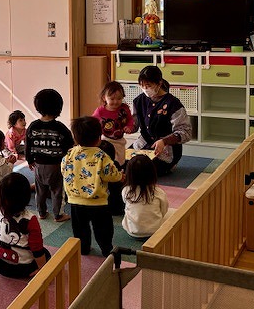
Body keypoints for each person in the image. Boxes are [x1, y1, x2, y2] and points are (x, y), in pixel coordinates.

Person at [62, 116, 122, 257]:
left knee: (80, 229)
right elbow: (112, 175)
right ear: (99, 138)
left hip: (75, 200)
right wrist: (121, 176)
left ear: (75, 138)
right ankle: (106, 249)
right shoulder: (101, 156)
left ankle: (83, 248)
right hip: (98, 201)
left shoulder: (70, 153)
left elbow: (63, 169)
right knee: (103, 229)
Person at [132, 65, 192, 176]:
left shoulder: (173, 104)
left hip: (166, 148)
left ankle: (170, 165)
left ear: (159, 83)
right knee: (125, 163)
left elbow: (186, 132)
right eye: (142, 85)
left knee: (143, 169)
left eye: (148, 85)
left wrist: (164, 141)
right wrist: (123, 125)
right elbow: (134, 125)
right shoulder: (139, 101)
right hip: (144, 143)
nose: (145, 89)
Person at [25, 89, 74, 222]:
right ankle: (58, 214)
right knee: (57, 191)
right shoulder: (60, 128)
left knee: (40, 190)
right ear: (59, 108)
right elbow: (69, 145)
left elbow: (28, 145)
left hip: (38, 165)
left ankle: (41, 212)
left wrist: (29, 160)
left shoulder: (33, 126)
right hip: (56, 165)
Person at [0, 172, 51, 278]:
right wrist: (42, 268)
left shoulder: (1, 210)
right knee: (46, 254)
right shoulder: (30, 219)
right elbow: (36, 248)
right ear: (26, 196)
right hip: (21, 268)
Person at [122, 154, 171, 238]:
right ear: (152, 173)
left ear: (129, 174)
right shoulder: (158, 192)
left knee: (128, 211)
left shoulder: (126, 190)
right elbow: (164, 210)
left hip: (132, 231)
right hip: (154, 231)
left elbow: (126, 204)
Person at [92, 81, 134, 167]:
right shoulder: (100, 111)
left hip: (120, 140)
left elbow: (130, 119)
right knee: (108, 161)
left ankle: (119, 171)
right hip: (106, 139)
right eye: (112, 99)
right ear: (104, 98)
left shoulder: (124, 108)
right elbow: (92, 122)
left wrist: (129, 126)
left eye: (119, 99)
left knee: (120, 161)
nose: (115, 102)